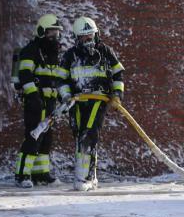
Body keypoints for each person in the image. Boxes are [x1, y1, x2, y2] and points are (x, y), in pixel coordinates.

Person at [58, 17, 125, 191]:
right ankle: (91, 177)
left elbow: (118, 74)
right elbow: (61, 79)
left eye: (91, 36)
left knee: (89, 134)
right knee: (81, 136)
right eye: (84, 37)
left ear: (97, 35)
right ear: (77, 38)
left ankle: (83, 178)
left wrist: (117, 95)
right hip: (77, 101)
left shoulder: (105, 52)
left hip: (98, 100)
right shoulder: (70, 55)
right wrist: (65, 96)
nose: (89, 40)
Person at [14, 14, 64, 188]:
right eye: (52, 32)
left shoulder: (53, 53)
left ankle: (41, 174)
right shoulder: (31, 50)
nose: (55, 36)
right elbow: (25, 74)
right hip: (35, 101)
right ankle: (22, 175)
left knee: (46, 138)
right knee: (33, 137)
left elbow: (56, 77)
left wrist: (61, 96)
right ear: (42, 31)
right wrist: (33, 96)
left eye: (57, 33)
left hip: (50, 103)